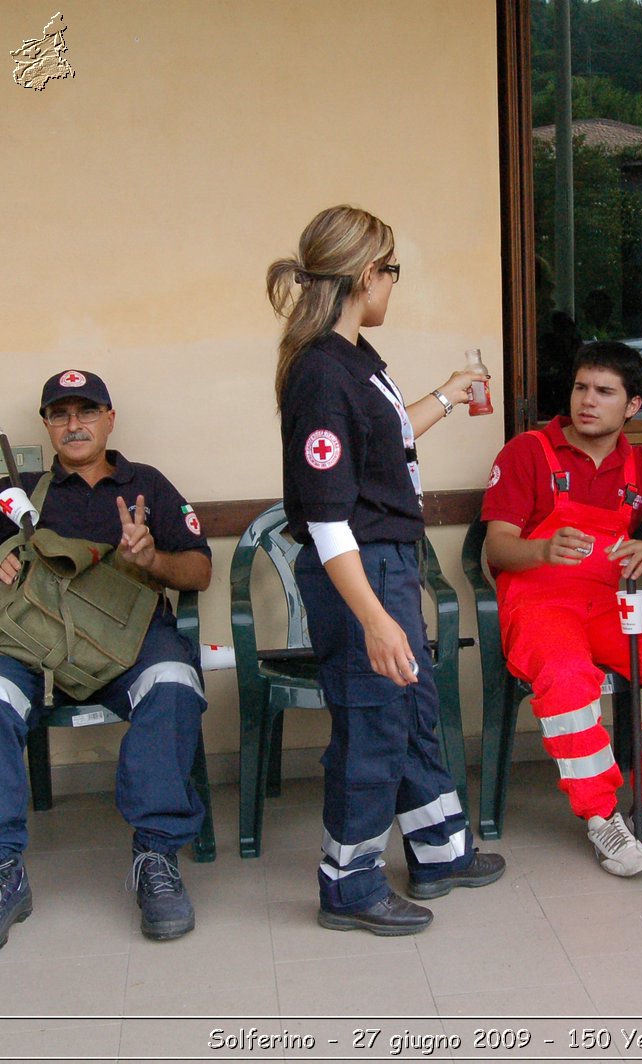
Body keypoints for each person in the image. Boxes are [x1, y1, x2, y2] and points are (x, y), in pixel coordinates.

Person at [0, 369, 212, 957]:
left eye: (87, 411)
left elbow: (199, 568)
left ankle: (157, 858)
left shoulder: (147, 485)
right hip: (33, 648)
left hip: (128, 644)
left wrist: (152, 559)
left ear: (110, 419)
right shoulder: (16, 492)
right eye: (61, 414)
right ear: (46, 425)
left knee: (173, 680)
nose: (75, 424)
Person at [268, 204, 506, 936]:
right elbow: (329, 515)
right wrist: (373, 618)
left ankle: (438, 848)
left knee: (411, 708)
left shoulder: (354, 358)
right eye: (391, 270)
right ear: (367, 274)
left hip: (388, 560)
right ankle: (349, 881)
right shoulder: (319, 373)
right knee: (372, 723)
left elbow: (384, 444)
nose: (393, 284)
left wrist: (445, 394)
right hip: (357, 573)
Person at [481, 341, 642, 875]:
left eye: (604, 392)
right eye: (580, 388)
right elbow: (496, 546)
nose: (587, 401)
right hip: (539, 602)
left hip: (610, 604)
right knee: (567, 676)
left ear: (631, 406)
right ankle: (601, 815)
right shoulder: (527, 452)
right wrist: (541, 550)